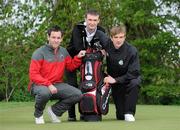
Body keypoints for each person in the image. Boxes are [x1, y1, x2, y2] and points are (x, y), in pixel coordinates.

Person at [28, 25, 86, 124]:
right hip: (38, 85)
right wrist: (48, 84)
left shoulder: (63, 51)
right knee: (44, 92)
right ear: (48, 37)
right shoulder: (39, 53)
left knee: (77, 94)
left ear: (61, 39)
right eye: (53, 37)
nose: (56, 40)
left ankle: (54, 111)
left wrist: (78, 57)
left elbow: (70, 66)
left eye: (58, 38)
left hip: (57, 85)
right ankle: (38, 114)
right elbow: (33, 75)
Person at [66, 9, 106, 121]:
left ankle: (87, 110)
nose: (92, 23)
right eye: (89, 20)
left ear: (98, 21)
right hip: (73, 61)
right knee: (73, 86)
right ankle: (72, 115)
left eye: (94, 20)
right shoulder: (77, 28)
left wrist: (104, 50)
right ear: (85, 20)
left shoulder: (101, 30)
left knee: (92, 84)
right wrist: (98, 50)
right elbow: (79, 48)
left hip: (89, 61)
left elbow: (105, 46)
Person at [103, 24, 141, 122]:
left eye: (121, 37)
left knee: (135, 82)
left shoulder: (132, 50)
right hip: (116, 84)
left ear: (124, 37)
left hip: (128, 80)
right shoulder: (106, 46)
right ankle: (123, 113)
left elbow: (134, 73)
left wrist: (115, 80)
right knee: (120, 116)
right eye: (116, 37)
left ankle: (129, 113)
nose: (118, 40)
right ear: (111, 38)